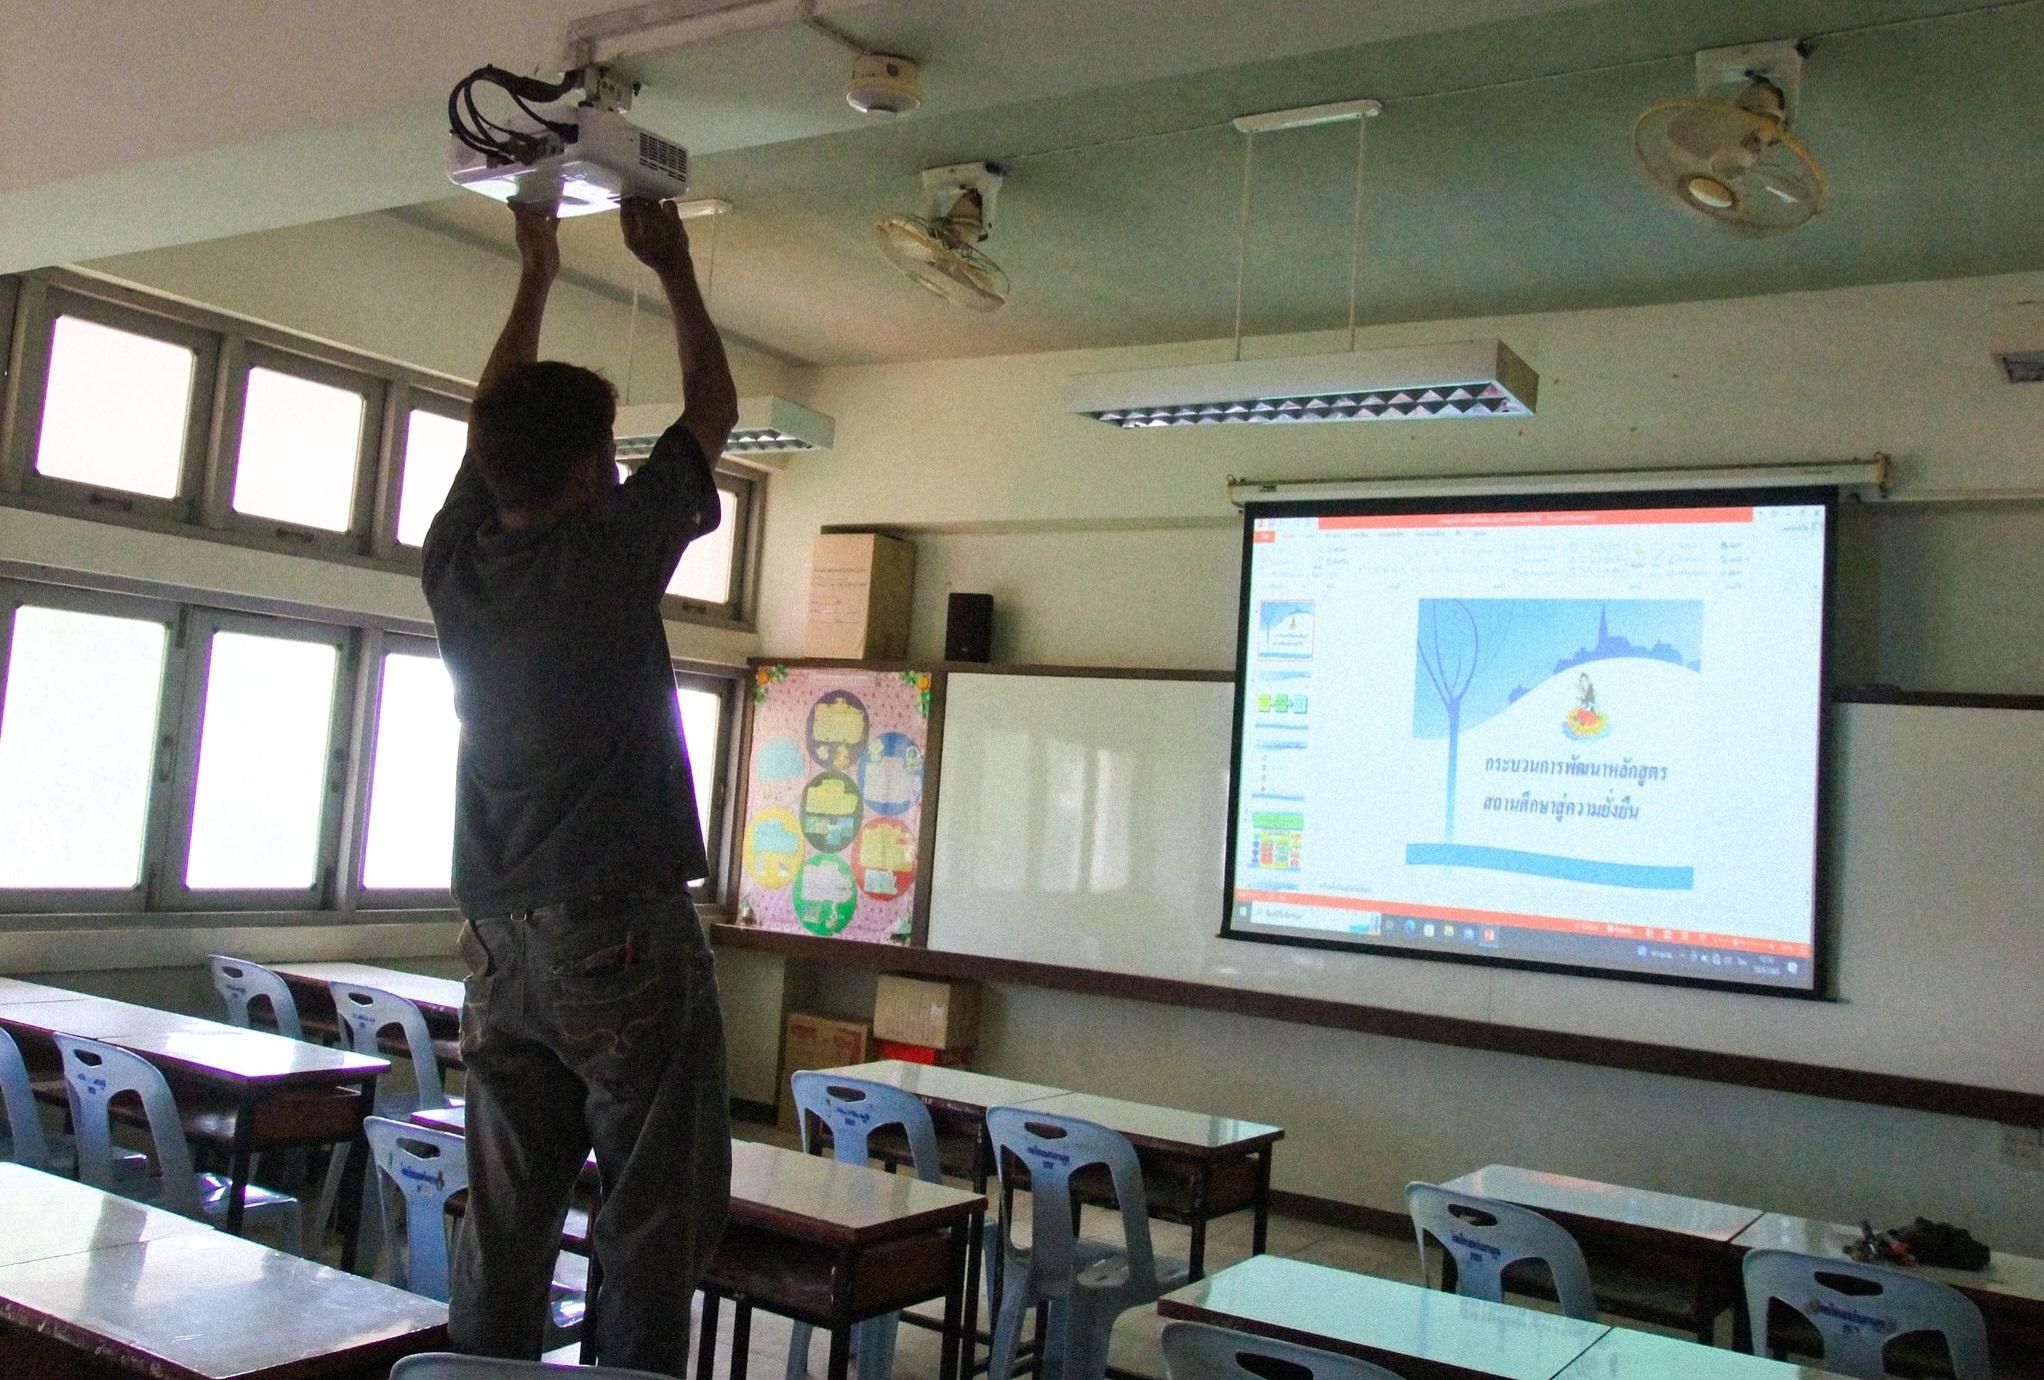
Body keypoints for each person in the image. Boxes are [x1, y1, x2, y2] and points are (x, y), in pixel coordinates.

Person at [422, 196, 738, 1374]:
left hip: (496, 939)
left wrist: (536, 272)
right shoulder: (605, 550)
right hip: (616, 930)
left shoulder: (456, 561)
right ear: (591, 470)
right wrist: (675, 266)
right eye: (606, 454)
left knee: (507, 1219)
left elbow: (487, 427)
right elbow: (711, 412)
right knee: (651, 1216)